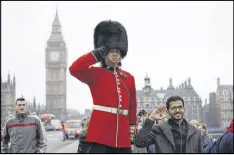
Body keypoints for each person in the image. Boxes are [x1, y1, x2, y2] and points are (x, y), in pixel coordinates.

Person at [69, 20, 137, 153]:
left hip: (122, 135)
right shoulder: (95, 73)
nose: (116, 54)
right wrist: (95, 54)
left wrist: (132, 130)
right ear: (104, 52)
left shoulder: (129, 78)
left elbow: (132, 107)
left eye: (118, 50)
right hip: (100, 133)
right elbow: (74, 69)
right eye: (111, 50)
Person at [135, 95, 203, 153]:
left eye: (180, 107)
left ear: (184, 109)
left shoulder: (195, 132)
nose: (177, 110)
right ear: (168, 111)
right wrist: (151, 118)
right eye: (173, 108)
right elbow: (139, 142)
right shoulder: (158, 129)